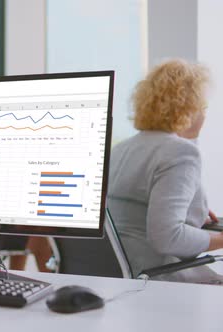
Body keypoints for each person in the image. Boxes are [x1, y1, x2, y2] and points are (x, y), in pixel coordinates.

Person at [107, 59, 223, 283]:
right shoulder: (181, 152)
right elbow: (166, 237)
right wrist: (219, 240)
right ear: (189, 109)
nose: (204, 116)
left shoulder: (122, 149)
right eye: (203, 108)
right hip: (154, 276)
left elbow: (134, 212)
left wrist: (193, 209)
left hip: (116, 272)